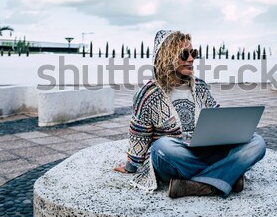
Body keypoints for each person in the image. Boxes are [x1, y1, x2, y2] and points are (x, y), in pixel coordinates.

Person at [114, 30, 266, 198]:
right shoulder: (149, 93)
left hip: (206, 153)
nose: (192, 59)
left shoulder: (201, 86)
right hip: (175, 157)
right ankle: (225, 175)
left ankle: (201, 185)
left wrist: (231, 134)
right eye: (184, 54)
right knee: (162, 147)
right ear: (166, 57)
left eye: (193, 53)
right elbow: (139, 133)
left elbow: (217, 119)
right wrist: (130, 166)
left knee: (257, 143)